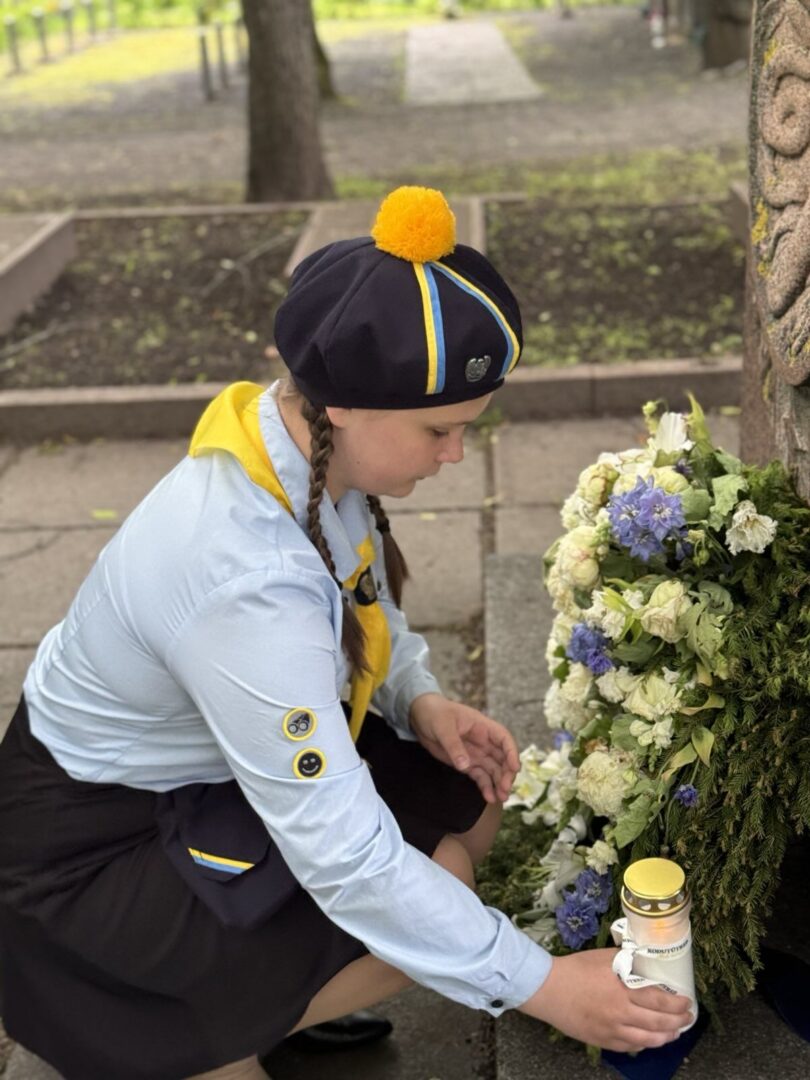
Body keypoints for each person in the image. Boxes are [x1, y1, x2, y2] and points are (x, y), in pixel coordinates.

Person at [0, 187, 692, 1079]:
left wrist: (420, 697)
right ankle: (196, 1043)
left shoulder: (295, 442)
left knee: (468, 804)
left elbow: (361, 595)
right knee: (436, 885)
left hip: (197, 781)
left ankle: (270, 1001)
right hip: (84, 870)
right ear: (347, 406)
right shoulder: (244, 579)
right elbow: (340, 852)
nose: (455, 455)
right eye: (440, 430)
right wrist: (544, 985)